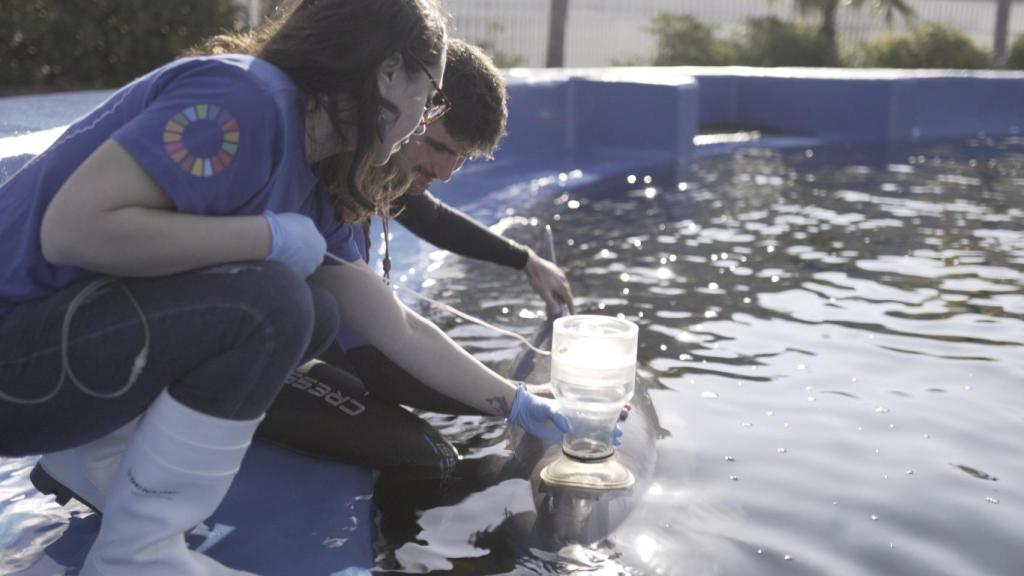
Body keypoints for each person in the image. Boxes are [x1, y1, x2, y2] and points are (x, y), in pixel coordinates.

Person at [0, 2, 570, 575]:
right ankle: (137, 557)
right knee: (274, 305)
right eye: (432, 93)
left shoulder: (317, 172)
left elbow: (392, 324)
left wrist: (517, 403)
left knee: (313, 312)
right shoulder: (242, 98)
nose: (427, 115)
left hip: (52, 364)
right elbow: (73, 230)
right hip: (15, 363)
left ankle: (96, 463)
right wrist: (263, 236)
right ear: (388, 71)